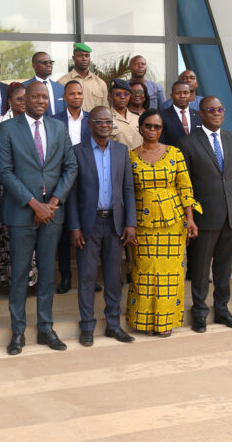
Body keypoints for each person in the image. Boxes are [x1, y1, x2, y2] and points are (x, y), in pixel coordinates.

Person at [0, 82, 77, 355]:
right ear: (25, 99)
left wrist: (52, 204)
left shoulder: (58, 127)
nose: (41, 101)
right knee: (19, 274)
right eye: (35, 97)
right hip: (22, 213)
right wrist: (34, 204)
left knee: (47, 273)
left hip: (52, 214)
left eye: (45, 97)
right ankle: (18, 331)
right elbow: (5, 171)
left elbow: (70, 166)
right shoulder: (8, 129)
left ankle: (46, 328)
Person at [178, 96, 232, 332]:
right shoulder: (187, 143)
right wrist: (189, 218)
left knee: (224, 267)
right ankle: (200, 312)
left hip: (231, 215)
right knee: (200, 269)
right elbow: (185, 185)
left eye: (220, 109)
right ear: (201, 114)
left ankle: (222, 310)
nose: (217, 113)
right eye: (211, 110)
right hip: (203, 218)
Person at [126, 109, 200, 337]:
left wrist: (190, 219)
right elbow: (127, 192)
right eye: (148, 126)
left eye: (157, 127)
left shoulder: (175, 153)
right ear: (140, 128)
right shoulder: (130, 156)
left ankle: (165, 321)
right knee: (144, 273)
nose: (152, 130)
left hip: (173, 223)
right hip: (142, 223)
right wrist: (129, 224)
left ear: (161, 129)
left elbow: (185, 187)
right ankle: (144, 321)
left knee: (170, 274)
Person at [67, 106, 137, 346]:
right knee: (87, 277)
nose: (105, 126)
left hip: (116, 223)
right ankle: (87, 327)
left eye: (108, 122)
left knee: (113, 277)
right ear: (90, 124)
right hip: (89, 224)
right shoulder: (77, 151)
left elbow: (128, 189)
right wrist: (74, 226)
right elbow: (72, 193)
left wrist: (130, 222)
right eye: (99, 122)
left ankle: (113, 326)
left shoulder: (121, 151)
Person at [0, 82, 38, 291]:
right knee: (5, 238)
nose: (24, 102)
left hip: (31, 190)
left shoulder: (33, 122)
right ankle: (5, 281)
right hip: (4, 189)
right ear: (9, 101)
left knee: (27, 238)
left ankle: (27, 281)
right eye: (19, 99)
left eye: (26, 98)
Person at [52, 80, 91, 294]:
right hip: (63, 179)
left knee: (87, 229)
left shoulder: (92, 119)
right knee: (64, 231)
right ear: (65, 97)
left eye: (79, 93)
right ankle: (66, 276)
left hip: (87, 179)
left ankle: (88, 276)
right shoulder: (54, 120)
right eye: (72, 93)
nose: (76, 97)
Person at [57, 43, 109, 112]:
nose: (84, 59)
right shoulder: (62, 82)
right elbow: (59, 109)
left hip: (94, 119)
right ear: (73, 58)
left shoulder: (100, 83)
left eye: (87, 56)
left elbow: (105, 110)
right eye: (80, 56)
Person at [23, 51, 65, 116]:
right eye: (44, 62)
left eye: (51, 62)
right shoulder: (24, 87)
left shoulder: (61, 88)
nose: (49, 65)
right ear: (34, 65)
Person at [160, 80, 202, 145]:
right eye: (178, 93)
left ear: (190, 95)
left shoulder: (198, 115)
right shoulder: (162, 116)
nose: (182, 96)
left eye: (185, 93)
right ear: (171, 96)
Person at [109, 78, 143, 149]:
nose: (122, 97)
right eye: (118, 94)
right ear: (110, 96)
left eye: (126, 94)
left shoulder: (139, 118)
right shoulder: (106, 119)